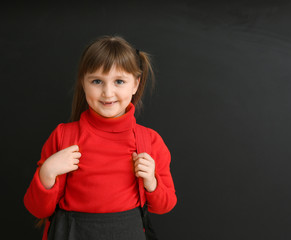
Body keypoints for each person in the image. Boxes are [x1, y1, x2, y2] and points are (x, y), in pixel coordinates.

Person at [24, 35, 177, 240]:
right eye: (97, 81)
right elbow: (38, 210)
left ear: (135, 84)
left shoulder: (150, 141)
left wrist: (151, 182)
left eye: (119, 81)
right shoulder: (63, 136)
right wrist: (47, 173)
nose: (107, 92)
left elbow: (164, 206)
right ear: (83, 83)